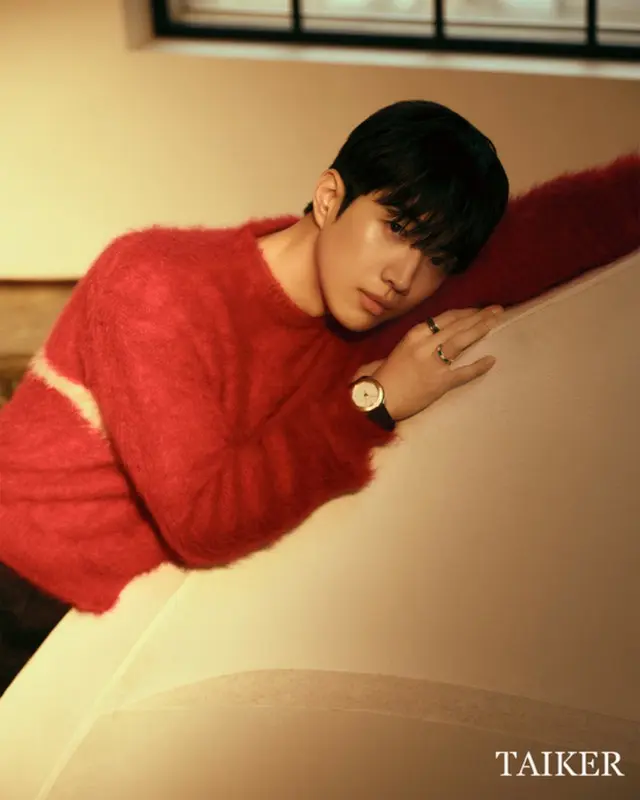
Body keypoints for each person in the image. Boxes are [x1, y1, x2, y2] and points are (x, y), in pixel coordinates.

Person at [0, 100, 638, 696]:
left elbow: (559, 229)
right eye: (395, 228)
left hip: (104, 630)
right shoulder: (155, 286)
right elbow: (204, 521)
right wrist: (374, 403)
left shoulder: (370, 305)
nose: (403, 277)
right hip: (15, 582)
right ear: (331, 198)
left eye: (436, 258)